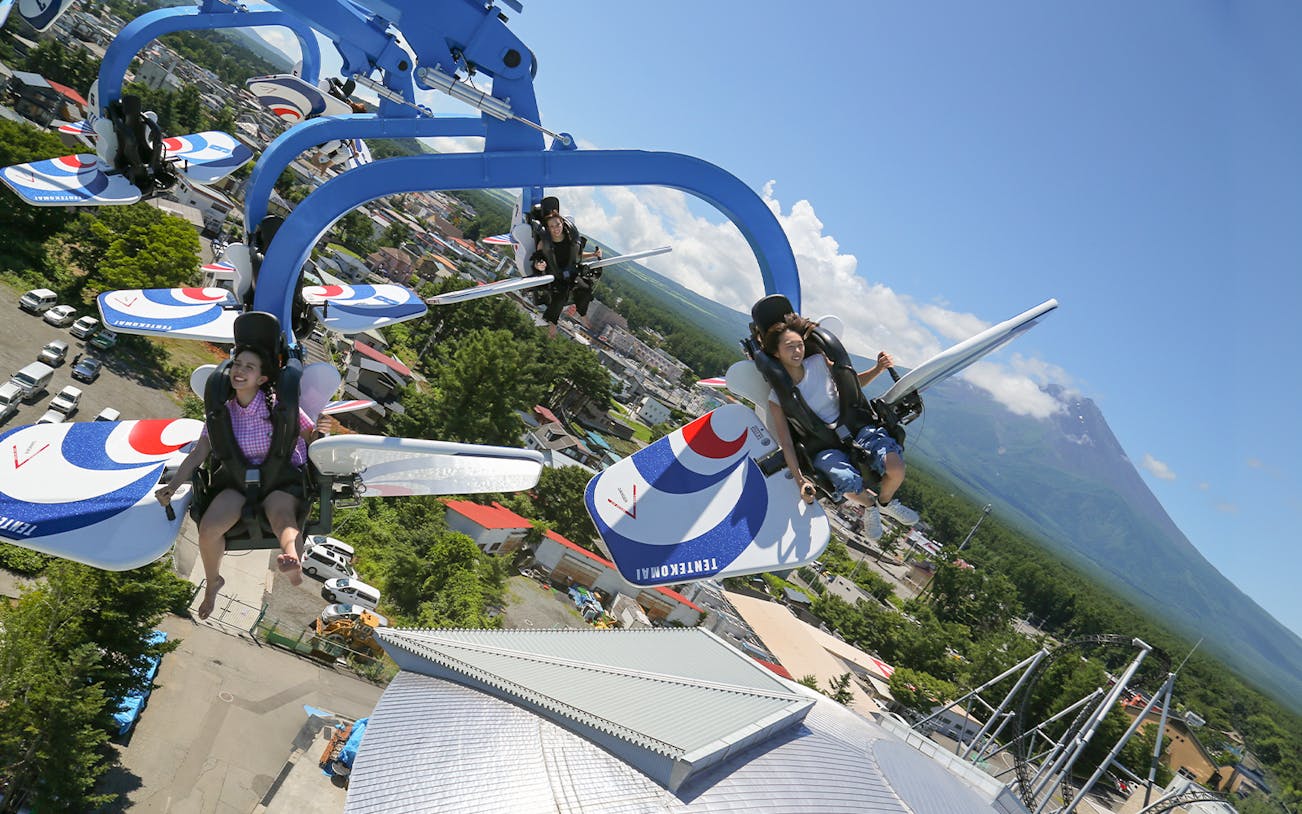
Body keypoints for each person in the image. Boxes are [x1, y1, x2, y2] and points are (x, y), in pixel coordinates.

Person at [154, 346, 331, 619]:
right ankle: (213, 582)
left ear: (261, 379)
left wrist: (320, 432)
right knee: (209, 528)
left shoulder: (280, 407)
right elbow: (199, 453)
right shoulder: (221, 413)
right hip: (238, 482)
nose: (240, 370)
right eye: (237, 364)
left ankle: (291, 558)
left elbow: (310, 437)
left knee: (281, 516)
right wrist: (174, 485)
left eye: (250, 367)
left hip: (280, 479)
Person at [762, 313, 920, 540]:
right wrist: (801, 480)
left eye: (799, 346)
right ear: (776, 354)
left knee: (896, 468)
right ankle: (870, 505)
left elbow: (851, 385)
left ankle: (885, 501)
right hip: (824, 445)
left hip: (856, 428)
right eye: (790, 347)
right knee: (846, 483)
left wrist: (877, 370)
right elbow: (786, 441)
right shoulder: (777, 397)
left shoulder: (818, 363)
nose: (797, 351)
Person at [529, 198, 602, 336]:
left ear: (562, 223)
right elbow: (538, 260)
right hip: (555, 276)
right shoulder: (544, 243)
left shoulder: (570, 239)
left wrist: (593, 254)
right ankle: (552, 323)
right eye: (551, 227)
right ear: (548, 228)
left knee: (585, 288)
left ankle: (582, 313)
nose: (555, 229)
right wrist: (539, 266)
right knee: (560, 295)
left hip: (570, 273)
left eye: (557, 225)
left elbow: (577, 256)